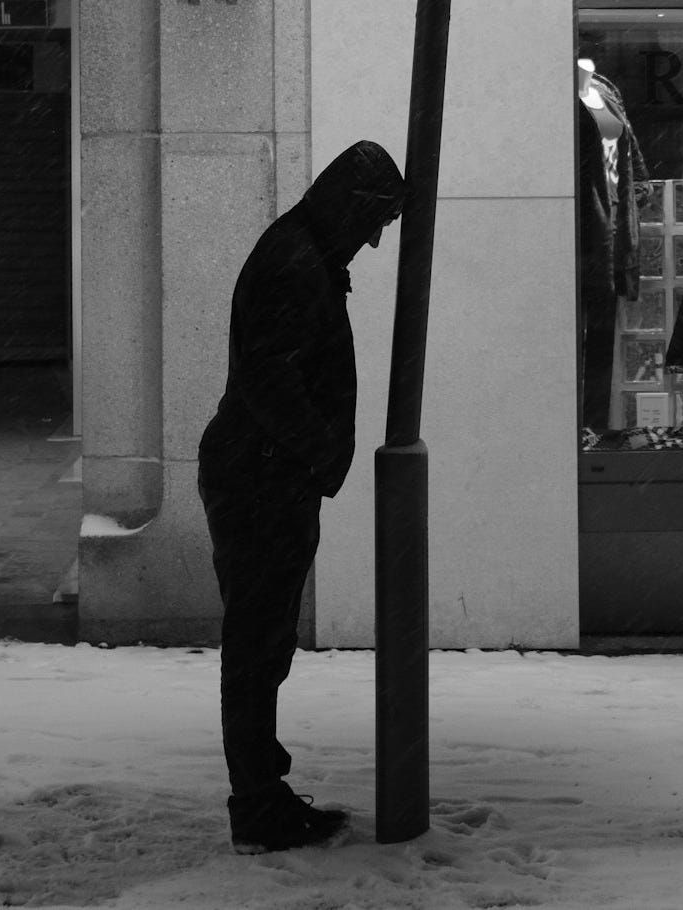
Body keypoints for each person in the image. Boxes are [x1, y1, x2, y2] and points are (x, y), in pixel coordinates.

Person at [197, 140, 405, 854]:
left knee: (263, 643)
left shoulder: (304, 251)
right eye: (376, 221)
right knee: (256, 646)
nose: (376, 239)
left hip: (265, 475)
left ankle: (262, 792)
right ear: (351, 206)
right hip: (261, 478)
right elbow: (270, 381)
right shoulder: (295, 262)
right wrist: (324, 454)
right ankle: (257, 804)